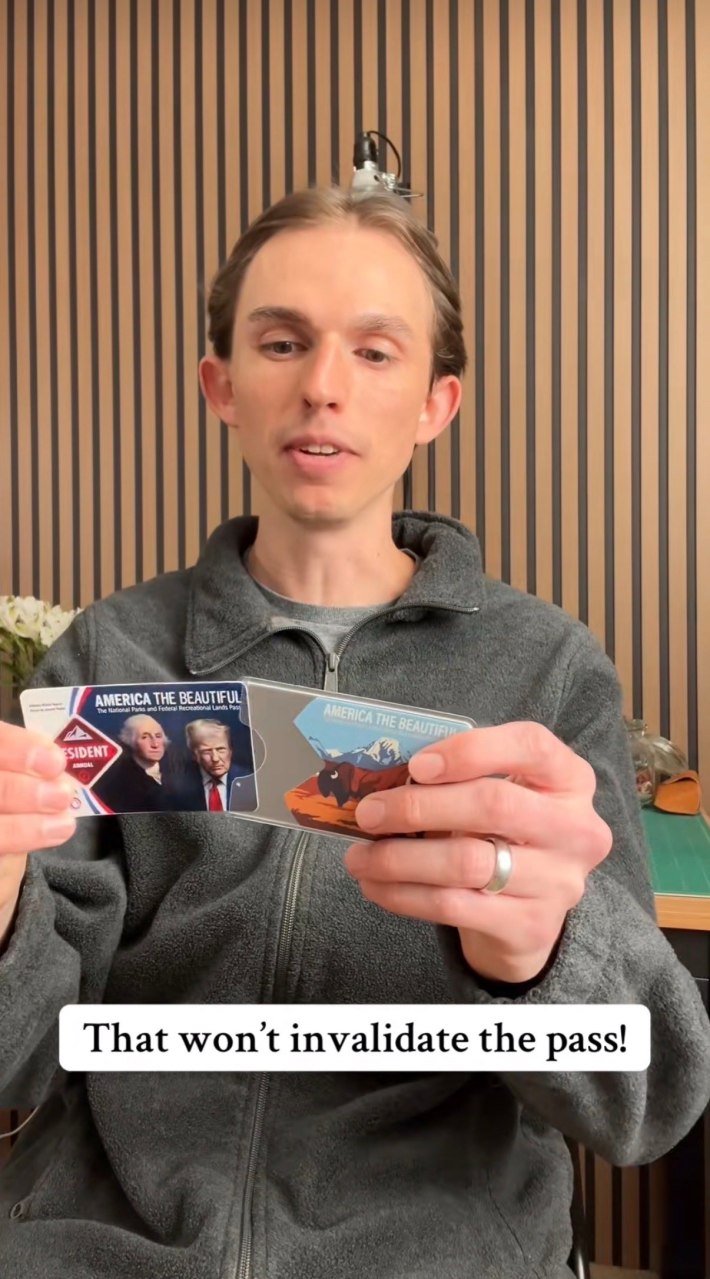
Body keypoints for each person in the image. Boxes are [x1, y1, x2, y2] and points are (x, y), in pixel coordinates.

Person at [0, 185, 708, 1279]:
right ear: (220, 386)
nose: (322, 387)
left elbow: (642, 1102)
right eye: (281, 342)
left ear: (436, 402)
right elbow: (20, 1064)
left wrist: (543, 960)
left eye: (374, 353)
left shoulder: (546, 670)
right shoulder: (105, 658)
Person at [92, 713, 172, 814]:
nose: (155, 744)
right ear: (130, 741)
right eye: (145, 737)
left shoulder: (177, 771)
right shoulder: (120, 784)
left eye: (158, 736)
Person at [176, 718, 257, 812]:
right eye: (206, 751)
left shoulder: (251, 781)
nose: (215, 759)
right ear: (195, 755)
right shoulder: (180, 789)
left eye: (221, 749)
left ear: (230, 751)